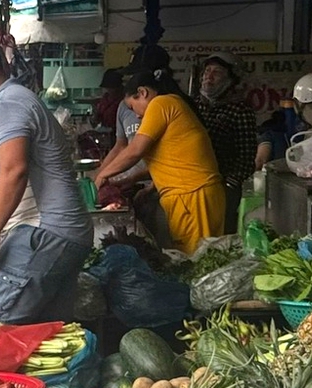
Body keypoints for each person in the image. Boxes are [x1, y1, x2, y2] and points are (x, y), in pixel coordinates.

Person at [0, 41, 92, 326]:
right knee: (47, 327)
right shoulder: (19, 98)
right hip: (70, 232)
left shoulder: (6, 104)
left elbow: (14, 171)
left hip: (48, 231)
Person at [92, 64, 226, 252]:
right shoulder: (171, 103)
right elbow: (171, 161)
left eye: (132, 107)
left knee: (196, 258)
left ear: (142, 93)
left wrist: (102, 175)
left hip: (193, 196)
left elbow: (134, 150)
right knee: (194, 256)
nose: (136, 115)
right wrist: (133, 179)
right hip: (193, 196)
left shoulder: (161, 104)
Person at [191, 54, 261, 227]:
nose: (209, 76)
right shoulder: (193, 105)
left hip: (224, 186)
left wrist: (230, 184)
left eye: (217, 72)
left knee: (221, 231)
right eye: (207, 71)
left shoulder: (240, 109)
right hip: (194, 185)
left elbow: (247, 155)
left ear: (231, 79)